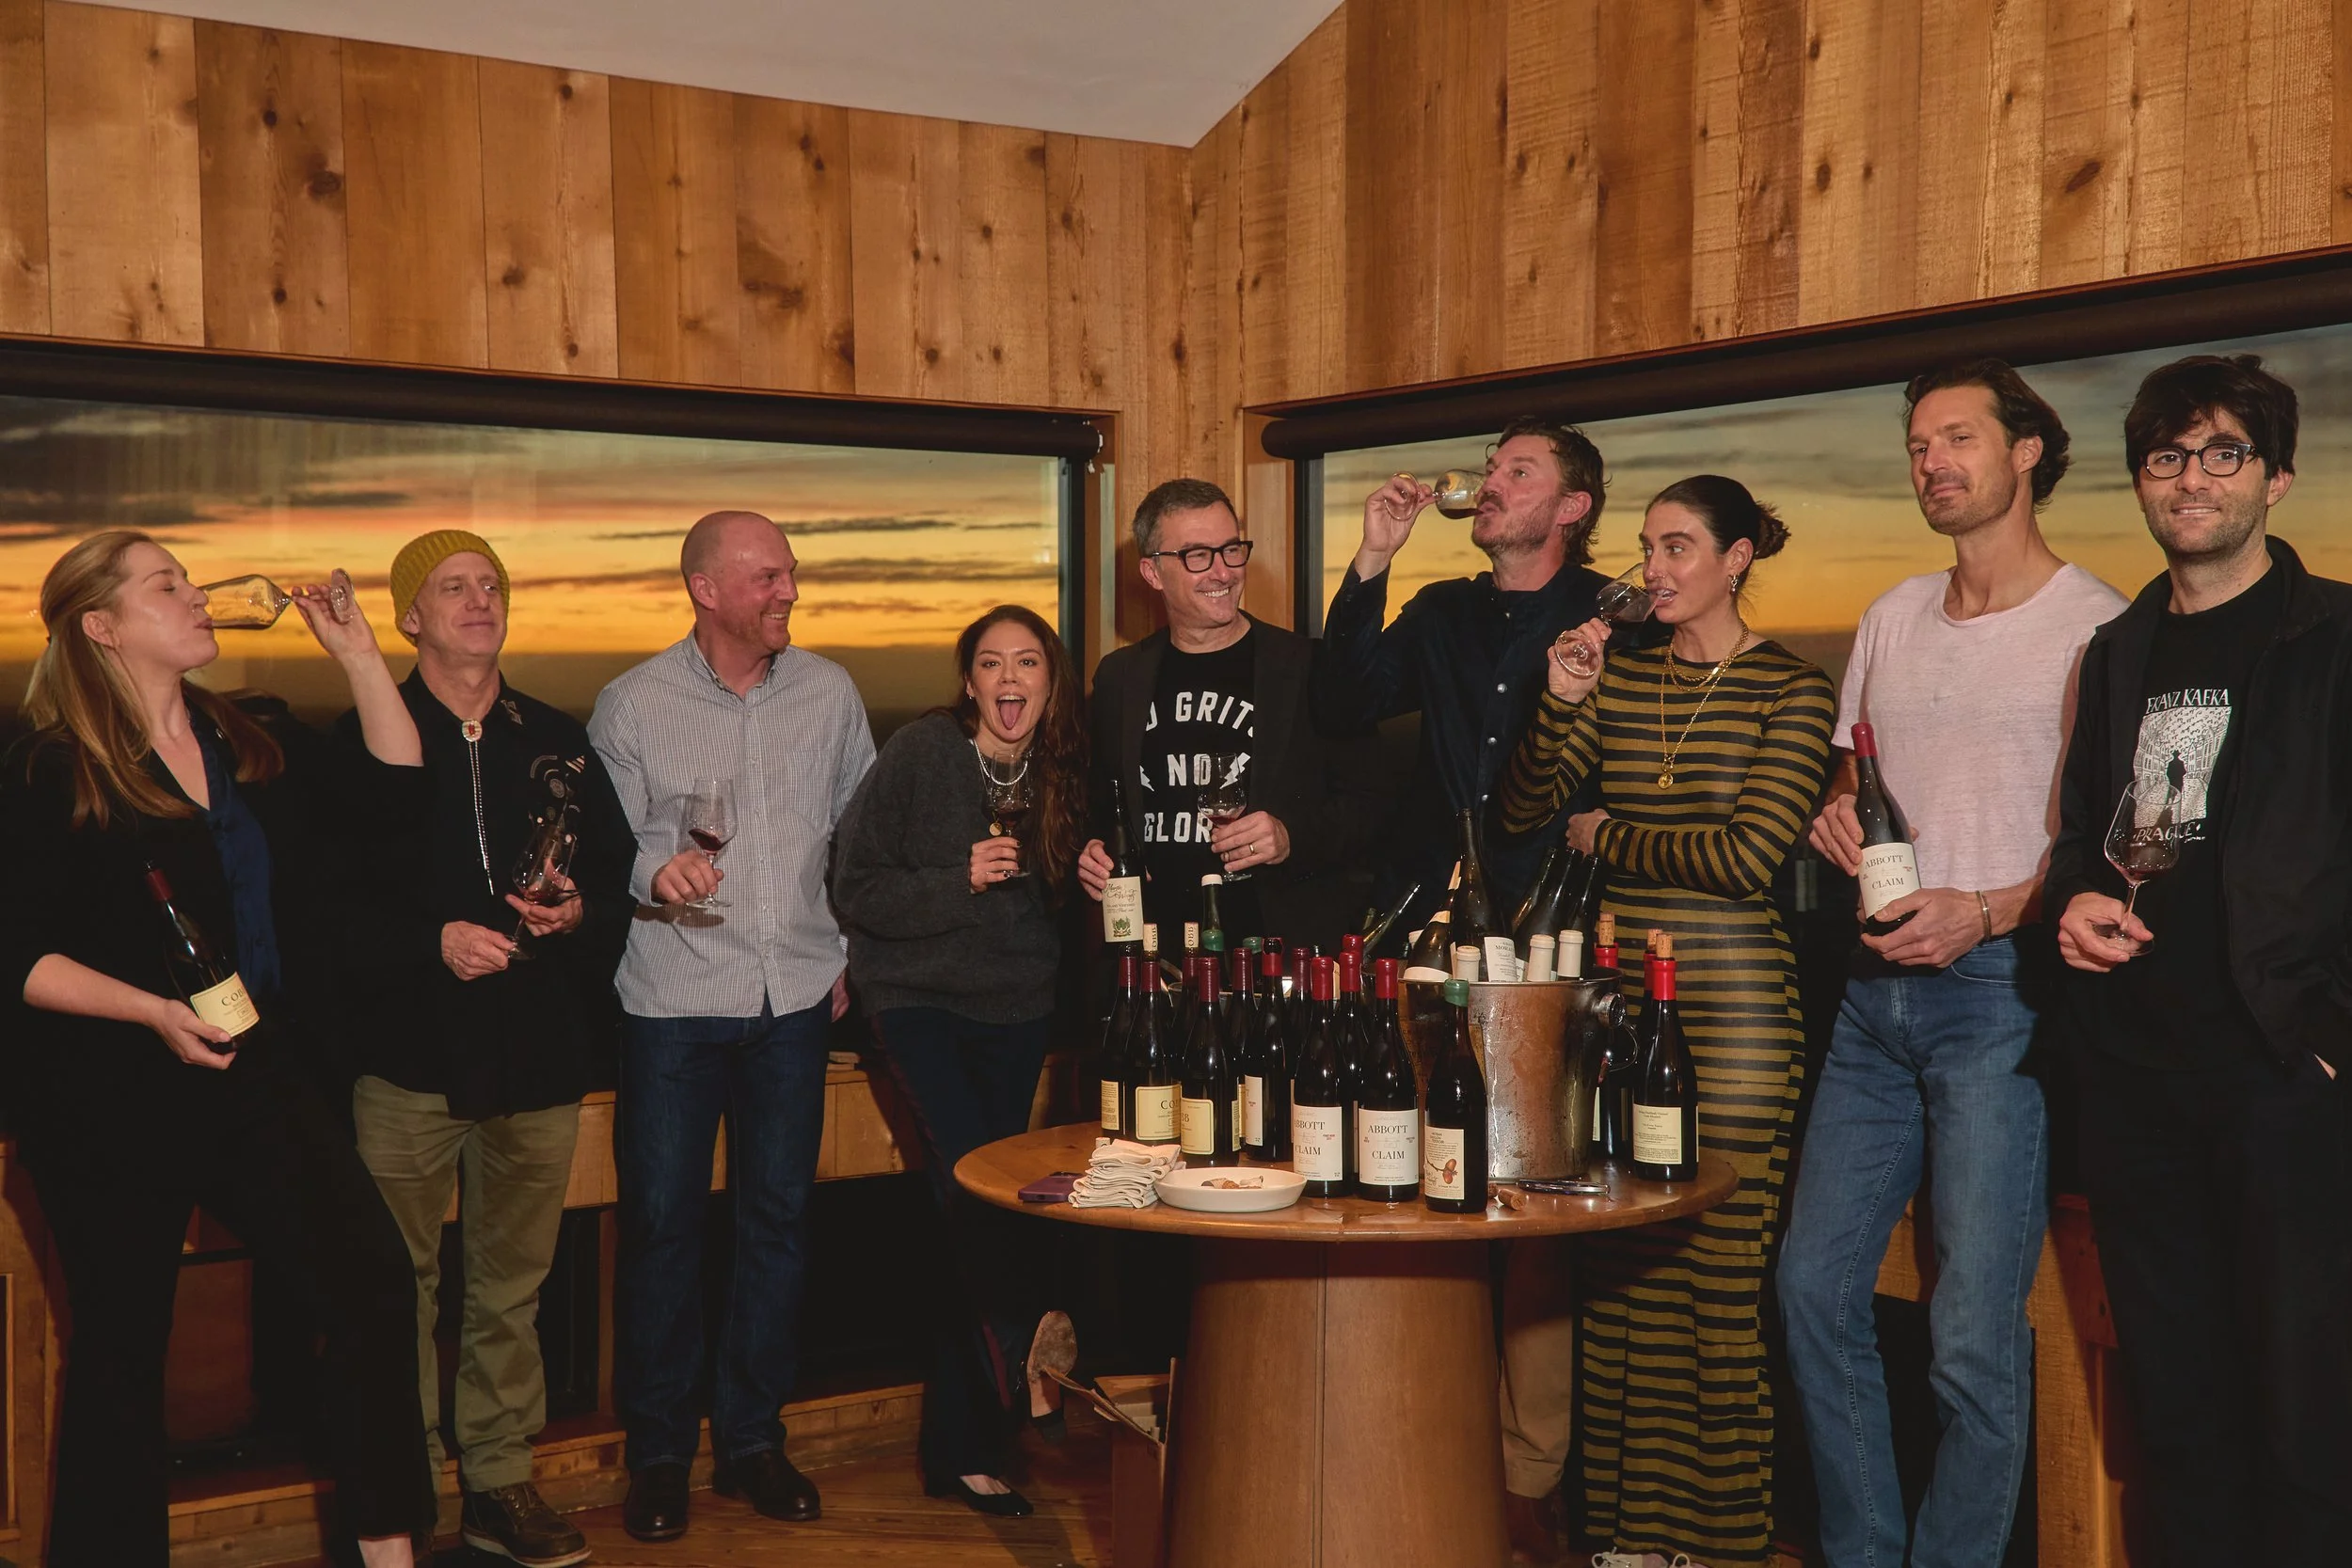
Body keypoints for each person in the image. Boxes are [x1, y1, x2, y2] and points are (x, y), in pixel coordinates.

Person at [0, 531, 430, 1566]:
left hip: (253, 1071)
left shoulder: (243, 736)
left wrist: (358, 654)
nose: (197, 596)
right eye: (168, 584)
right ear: (102, 626)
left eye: (191, 580)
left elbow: (395, 792)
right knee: (122, 1351)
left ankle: (389, 1555)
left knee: (373, 1282)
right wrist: (151, 1010)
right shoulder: (49, 764)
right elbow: (19, 955)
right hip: (105, 1092)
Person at [1778, 360, 2126, 1568]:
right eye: (1919, 444)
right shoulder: (1890, 614)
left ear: (2027, 450)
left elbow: (2108, 853)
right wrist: (1836, 816)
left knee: (1972, 1336)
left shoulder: (2094, 626)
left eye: (1959, 438)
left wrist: (1982, 913)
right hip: (1872, 997)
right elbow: (1855, 772)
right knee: (1811, 1291)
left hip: (2000, 1001)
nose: (1932, 462)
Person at [2049, 354, 2352, 1562]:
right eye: (2168, 455)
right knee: (2177, 1413)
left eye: (2224, 452)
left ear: (2274, 478)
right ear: (2140, 479)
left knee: (2307, 1414)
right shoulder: (2116, 649)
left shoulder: (2335, 636)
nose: (2192, 478)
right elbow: (2085, 834)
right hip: (2135, 1082)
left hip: (2285, 1079)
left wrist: (2330, 1041)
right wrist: (2072, 900)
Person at [1502, 476, 1835, 1568]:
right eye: (1646, 547)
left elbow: (1744, 858)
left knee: (1715, 1294)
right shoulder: (1625, 675)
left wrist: (1607, 836)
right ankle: (1630, 1542)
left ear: (1738, 558)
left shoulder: (1792, 689)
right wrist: (1562, 696)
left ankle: (1720, 1544)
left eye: (1678, 546)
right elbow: (1525, 808)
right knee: (1620, 1285)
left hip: (1736, 1015)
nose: (1653, 568)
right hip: (1621, 1010)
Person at [341, 531, 634, 1568]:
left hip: (538, 1058)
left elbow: (613, 876)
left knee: (512, 1288)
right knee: (398, 1289)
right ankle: (405, 1492)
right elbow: (325, 908)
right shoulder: (363, 736)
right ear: (409, 617)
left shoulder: (556, 737)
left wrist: (577, 910)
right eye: (452, 586)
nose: (479, 598)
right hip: (407, 1064)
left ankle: (500, 1484)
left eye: (491, 583)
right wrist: (431, 941)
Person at [589, 510, 873, 1543]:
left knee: (778, 1224)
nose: (788, 591)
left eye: (790, 573)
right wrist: (649, 869)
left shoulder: (831, 693)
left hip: (793, 997)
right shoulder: (632, 703)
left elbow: (860, 835)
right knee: (663, 1228)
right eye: (766, 578)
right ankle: (661, 1455)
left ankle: (753, 1439)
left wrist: (848, 951)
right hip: (671, 999)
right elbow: (603, 844)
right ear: (706, 590)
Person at [832, 605, 1084, 1519]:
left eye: (1028, 662)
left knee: (969, 1211)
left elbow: (1065, 904)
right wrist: (957, 879)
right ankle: (1027, 1357)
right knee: (974, 1194)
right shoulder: (922, 753)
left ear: (1050, 680)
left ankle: (961, 1450)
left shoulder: (1064, 774)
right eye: (991, 663)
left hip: (1015, 1011)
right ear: (969, 681)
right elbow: (854, 884)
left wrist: (1096, 870)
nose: (1010, 678)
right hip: (918, 1004)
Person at [1312, 418, 1614, 928]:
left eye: (1519, 473)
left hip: (1552, 914)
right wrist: (1376, 553)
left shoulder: (1609, 620)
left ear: (1571, 507)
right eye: (1492, 469)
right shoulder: (1442, 610)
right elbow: (1341, 707)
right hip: (1425, 905)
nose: (1490, 484)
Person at [1077, 477, 1387, 947]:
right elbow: (1098, 805)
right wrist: (1091, 852)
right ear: (1152, 572)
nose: (1222, 572)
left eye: (1231, 550)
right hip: (1153, 949)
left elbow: (1372, 804)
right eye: (1197, 556)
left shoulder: (1307, 666)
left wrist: (1290, 837)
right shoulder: (1119, 678)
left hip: (1274, 949)